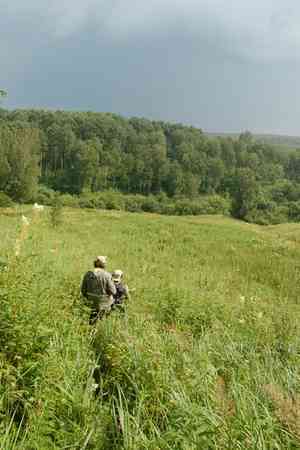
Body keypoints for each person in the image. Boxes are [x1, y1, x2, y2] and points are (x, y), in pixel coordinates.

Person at [81, 256, 116, 324]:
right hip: (104, 304)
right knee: (113, 300)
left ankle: (92, 325)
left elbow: (83, 291)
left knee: (93, 318)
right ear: (104, 264)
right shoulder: (107, 275)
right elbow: (113, 291)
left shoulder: (87, 274)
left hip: (91, 303)